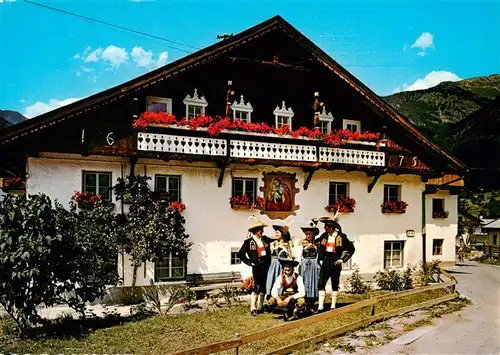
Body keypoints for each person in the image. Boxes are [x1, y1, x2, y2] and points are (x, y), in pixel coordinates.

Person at [316, 215, 355, 312]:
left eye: (326, 226)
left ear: (331, 227)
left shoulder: (341, 237)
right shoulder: (324, 236)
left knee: (334, 282)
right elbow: (317, 244)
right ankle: (320, 306)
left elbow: (351, 249)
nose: (325, 228)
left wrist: (343, 259)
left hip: (335, 261)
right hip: (325, 260)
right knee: (321, 283)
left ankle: (333, 306)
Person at [238, 216, 274, 316]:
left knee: (263, 286)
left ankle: (260, 306)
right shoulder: (248, 242)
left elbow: (275, 240)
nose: (262, 231)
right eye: (259, 230)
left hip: (266, 265)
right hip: (257, 266)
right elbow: (240, 254)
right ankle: (253, 307)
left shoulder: (265, 239)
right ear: (255, 231)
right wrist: (250, 262)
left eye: (262, 229)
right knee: (256, 286)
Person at [266, 222, 294, 297]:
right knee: (271, 278)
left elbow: (290, 255)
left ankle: (281, 296)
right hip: (273, 264)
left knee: (281, 279)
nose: (276, 234)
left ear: (283, 234)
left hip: (282, 264)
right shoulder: (273, 243)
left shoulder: (287, 244)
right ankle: (271, 297)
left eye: (278, 232)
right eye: (275, 232)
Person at [297, 219, 321, 307]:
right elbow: (298, 254)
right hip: (304, 265)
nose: (308, 236)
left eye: (309, 234)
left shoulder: (317, 244)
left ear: (313, 234)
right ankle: (304, 300)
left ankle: (313, 300)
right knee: (304, 281)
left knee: (313, 281)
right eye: (306, 234)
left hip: (314, 265)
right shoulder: (302, 243)